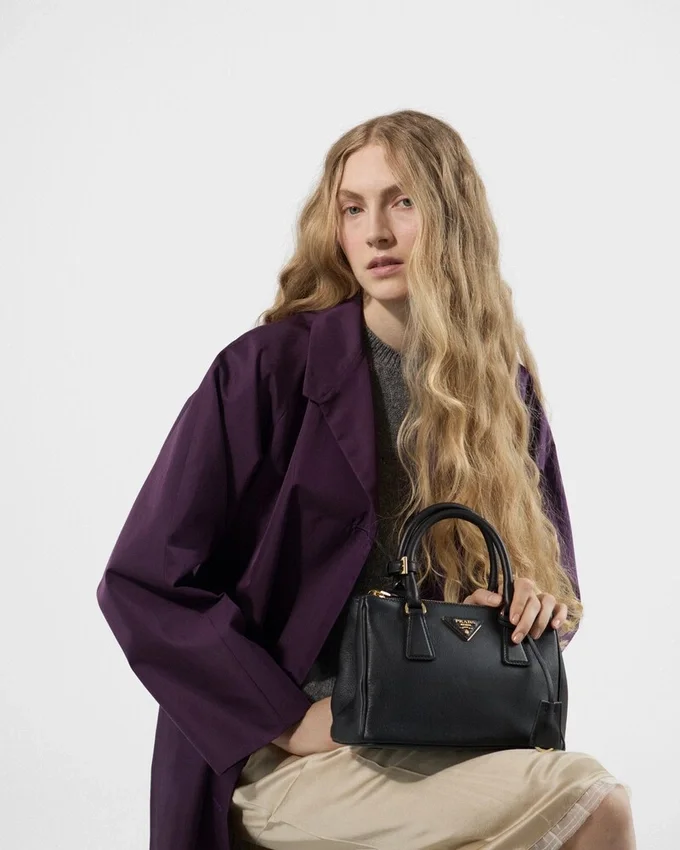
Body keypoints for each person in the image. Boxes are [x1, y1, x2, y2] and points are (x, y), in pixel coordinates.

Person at [96, 110, 635, 850]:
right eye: (354, 208)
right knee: (593, 802)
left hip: (431, 739)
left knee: (580, 802)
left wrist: (525, 608)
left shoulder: (500, 393)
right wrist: (285, 718)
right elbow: (143, 583)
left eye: (402, 202)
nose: (376, 232)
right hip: (281, 762)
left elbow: (555, 591)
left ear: (452, 220)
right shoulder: (266, 371)